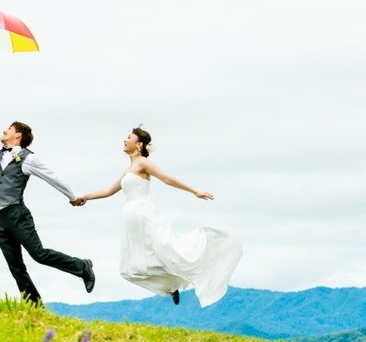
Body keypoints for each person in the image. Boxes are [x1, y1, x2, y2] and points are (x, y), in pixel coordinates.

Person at [73, 127, 242, 307]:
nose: (124, 140)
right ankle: (170, 286)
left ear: (138, 144)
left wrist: (195, 191)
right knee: (132, 268)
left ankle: (191, 263)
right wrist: (83, 197)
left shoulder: (143, 163)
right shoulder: (129, 169)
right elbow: (108, 191)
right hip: (131, 219)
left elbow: (168, 179)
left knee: (167, 251)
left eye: (128, 137)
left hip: (144, 214)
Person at [0, 73, 95, 306]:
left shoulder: (28, 159)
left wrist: (72, 197)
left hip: (17, 215)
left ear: (17, 135)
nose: (3, 131)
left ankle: (82, 267)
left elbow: (53, 176)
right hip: (0, 217)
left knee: (39, 255)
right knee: (15, 265)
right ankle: (34, 306)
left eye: (8, 129)